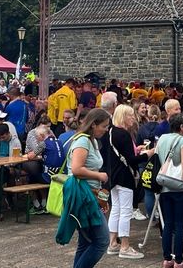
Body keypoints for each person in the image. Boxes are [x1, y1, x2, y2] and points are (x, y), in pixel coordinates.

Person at [59, 108, 110, 268]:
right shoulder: (83, 141)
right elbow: (76, 169)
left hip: (90, 194)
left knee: (86, 241)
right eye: (104, 126)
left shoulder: (92, 140)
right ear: (93, 124)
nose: (106, 129)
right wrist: (99, 175)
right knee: (102, 241)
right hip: (84, 196)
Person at [104, 104, 151, 260]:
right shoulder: (123, 134)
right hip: (125, 176)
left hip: (114, 176)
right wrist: (148, 154)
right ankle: (124, 246)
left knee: (116, 209)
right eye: (130, 115)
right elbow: (131, 160)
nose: (133, 118)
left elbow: (123, 154)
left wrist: (135, 150)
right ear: (124, 117)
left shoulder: (111, 132)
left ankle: (112, 243)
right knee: (126, 211)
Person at [157, 113, 183, 268]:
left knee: (168, 224)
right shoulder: (182, 140)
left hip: (164, 185)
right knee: (180, 225)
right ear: (181, 127)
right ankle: (179, 260)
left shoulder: (162, 138)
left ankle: (167, 259)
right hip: (178, 186)